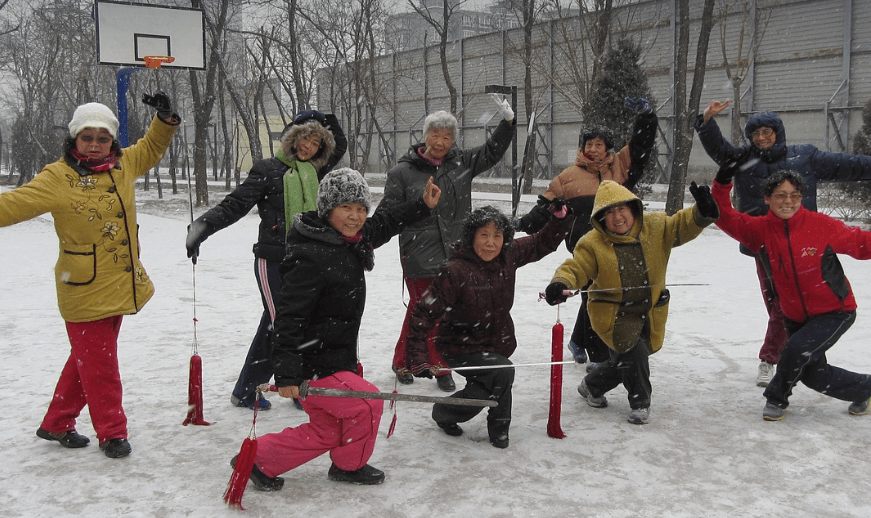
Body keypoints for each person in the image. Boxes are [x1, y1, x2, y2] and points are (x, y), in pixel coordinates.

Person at [0, 94, 180, 458]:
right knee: (101, 365)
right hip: (82, 287)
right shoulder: (57, 177)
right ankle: (112, 432)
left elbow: (152, 146)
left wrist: (164, 118)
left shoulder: (123, 164)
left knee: (91, 358)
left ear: (112, 140)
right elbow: (11, 205)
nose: (95, 144)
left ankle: (57, 422)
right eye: (87, 137)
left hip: (121, 280)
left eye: (102, 138)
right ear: (74, 139)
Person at [238, 168, 441, 490]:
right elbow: (289, 318)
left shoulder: (348, 240)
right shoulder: (310, 254)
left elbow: (384, 223)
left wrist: (422, 206)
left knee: (329, 430)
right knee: (368, 403)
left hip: (335, 356)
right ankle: (348, 465)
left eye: (361, 208)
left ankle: (259, 458)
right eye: (346, 207)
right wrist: (288, 374)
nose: (355, 216)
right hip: (314, 363)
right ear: (327, 208)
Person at [695, 100, 871, 387]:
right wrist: (706, 121)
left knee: (796, 303)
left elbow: (846, 166)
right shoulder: (744, 160)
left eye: (768, 131)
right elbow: (720, 152)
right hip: (763, 244)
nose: (762, 138)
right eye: (756, 134)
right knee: (780, 305)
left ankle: (775, 358)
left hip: (808, 246)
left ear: (779, 132)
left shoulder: (803, 157)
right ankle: (804, 361)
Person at [185, 110, 346, 410]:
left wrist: (329, 118)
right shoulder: (268, 170)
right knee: (288, 326)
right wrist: (202, 227)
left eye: (315, 142)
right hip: (273, 261)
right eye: (304, 139)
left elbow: (341, 146)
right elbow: (236, 204)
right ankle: (298, 389)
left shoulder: (315, 172)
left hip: (306, 264)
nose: (308, 147)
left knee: (277, 327)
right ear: (292, 139)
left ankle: (246, 390)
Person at [543, 179, 718, 424]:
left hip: (650, 311)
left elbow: (682, 225)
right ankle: (640, 401)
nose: (617, 217)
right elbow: (576, 267)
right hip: (613, 316)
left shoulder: (656, 227)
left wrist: (702, 210)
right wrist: (561, 283)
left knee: (627, 359)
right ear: (601, 219)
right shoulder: (592, 243)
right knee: (633, 353)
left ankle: (592, 385)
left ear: (633, 208)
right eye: (609, 213)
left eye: (621, 209)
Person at [403, 202, 573, 449]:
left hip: (497, 343)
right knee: (502, 373)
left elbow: (541, 243)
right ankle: (499, 430)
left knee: (485, 389)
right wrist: (417, 357)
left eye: (497, 235)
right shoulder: (454, 271)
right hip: (459, 346)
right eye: (483, 235)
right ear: (471, 236)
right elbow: (422, 314)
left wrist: (558, 219)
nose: (490, 243)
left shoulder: (508, 255)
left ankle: (444, 411)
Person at [710, 165, 871, 421]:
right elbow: (724, 216)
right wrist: (721, 183)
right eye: (781, 195)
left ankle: (776, 399)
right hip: (795, 316)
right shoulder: (759, 230)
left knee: (794, 351)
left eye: (794, 195)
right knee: (813, 375)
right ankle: (865, 388)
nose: (788, 201)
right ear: (767, 199)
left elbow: (863, 243)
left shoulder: (821, 226)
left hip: (835, 311)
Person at [379, 95, 517, 391]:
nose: (440, 141)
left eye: (446, 136)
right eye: (435, 134)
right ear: (425, 136)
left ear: (453, 139)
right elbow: (388, 214)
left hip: (456, 251)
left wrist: (507, 123)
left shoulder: (462, 163)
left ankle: (419, 362)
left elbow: (493, 151)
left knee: (437, 310)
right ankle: (428, 365)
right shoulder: (402, 172)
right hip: (419, 250)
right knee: (426, 308)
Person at [517, 97, 658, 371]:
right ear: (582, 147)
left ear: (607, 148)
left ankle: (578, 342)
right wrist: (519, 224)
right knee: (595, 297)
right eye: (589, 144)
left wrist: (647, 117)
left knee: (600, 295)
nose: (594, 149)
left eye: (599, 144)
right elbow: (543, 209)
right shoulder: (568, 177)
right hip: (584, 247)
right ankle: (598, 356)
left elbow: (642, 144)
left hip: (620, 244)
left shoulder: (619, 167)